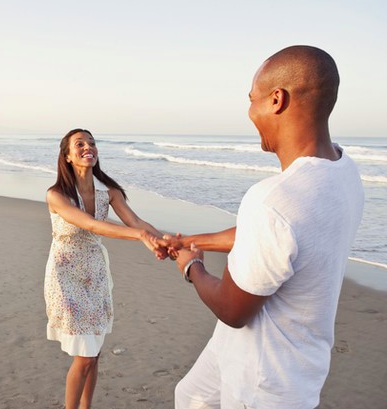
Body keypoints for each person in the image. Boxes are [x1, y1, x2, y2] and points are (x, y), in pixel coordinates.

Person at [162, 46, 365, 408]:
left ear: (276, 100)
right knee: (190, 396)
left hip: (264, 378)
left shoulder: (272, 199)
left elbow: (232, 310)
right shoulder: (344, 170)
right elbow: (274, 237)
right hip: (270, 357)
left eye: (251, 99)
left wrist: (192, 268)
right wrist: (192, 241)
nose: (250, 111)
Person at [45, 128, 166, 409]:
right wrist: (140, 238)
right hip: (66, 277)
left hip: (95, 276)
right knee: (85, 355)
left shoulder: (109, 193)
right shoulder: (56, 195)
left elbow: (135, 221)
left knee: (94, 352)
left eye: (92, 143)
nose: (88, 147)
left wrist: (166, 242)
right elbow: (91, 225)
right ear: (67, 156)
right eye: (80, 144)